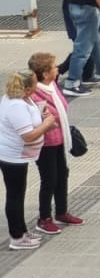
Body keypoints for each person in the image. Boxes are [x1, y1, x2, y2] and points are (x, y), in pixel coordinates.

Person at [27, 53, 78, 234]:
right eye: (54, 67)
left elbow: (61, 109)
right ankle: (44, 217)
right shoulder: (35, 92)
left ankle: (62, 211)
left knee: (62, 175)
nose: (58, 69)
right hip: (45, 143)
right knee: (49, 179)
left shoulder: (52, 86)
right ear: (45, 72)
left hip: (60, 139)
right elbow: (45, 116)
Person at [1, 70, 52, 250]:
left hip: (19, 155)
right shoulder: (15, 105)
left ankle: (22, 230)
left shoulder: (23, 98)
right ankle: (16, 237)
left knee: (18, 193)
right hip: (13, 156)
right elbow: (28, 136)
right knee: (14, 195)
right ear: (29, 88)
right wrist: (47, 124)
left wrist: (40, 114)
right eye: (35, 84)